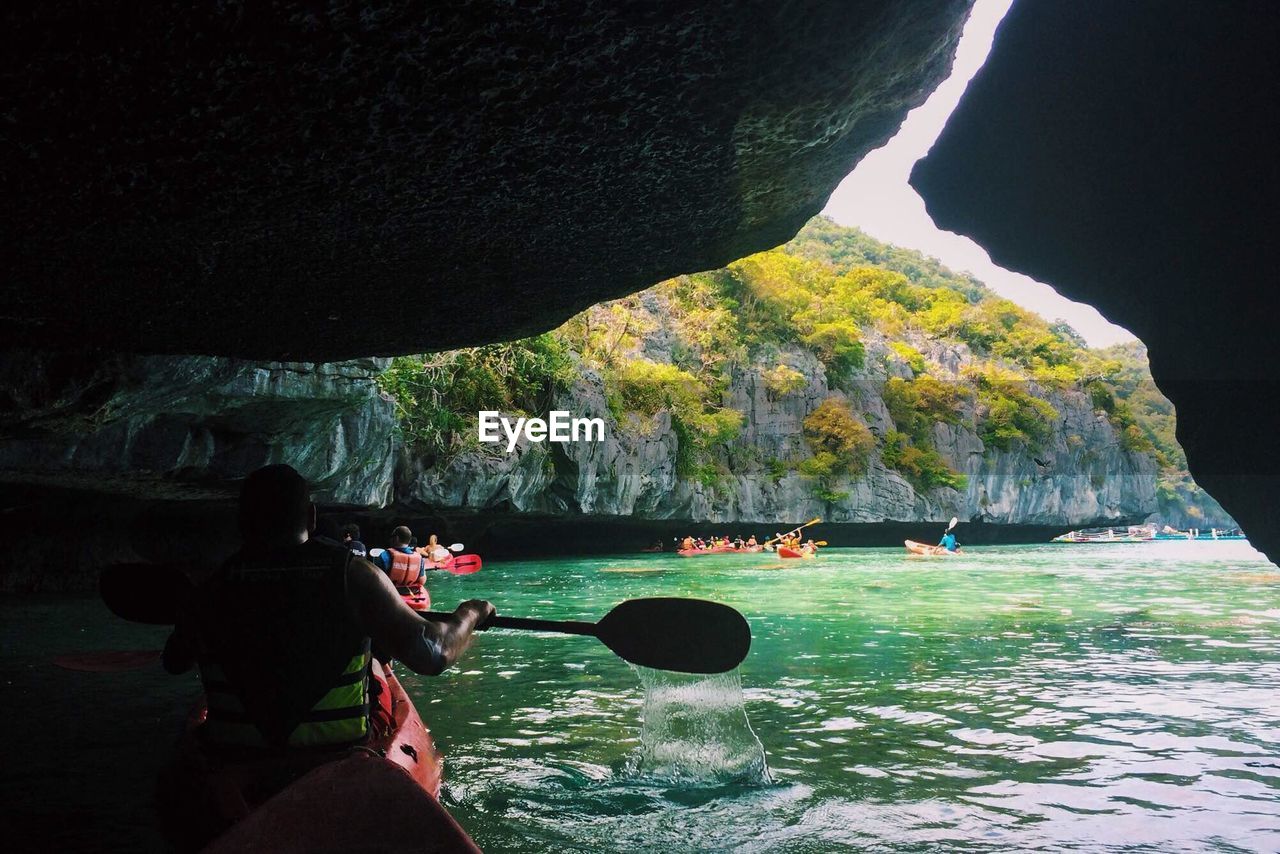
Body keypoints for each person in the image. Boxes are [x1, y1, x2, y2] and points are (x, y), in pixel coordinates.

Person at [159, 466, 493, 850]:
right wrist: (471, 612)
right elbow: (433, 653)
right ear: (312, 518)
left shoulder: (211, 586)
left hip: (237, 771)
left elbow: (174, 661)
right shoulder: (352, 577)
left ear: (241, 521)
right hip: (336, 769)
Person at [377, 525, 429, 592]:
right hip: (411, 593)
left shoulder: (384, 555)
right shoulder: (419, 558)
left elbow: (377, 580)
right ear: (409, 540)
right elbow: (422, 581)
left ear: (396, 538)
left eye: (392, 536)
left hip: (389, 593)